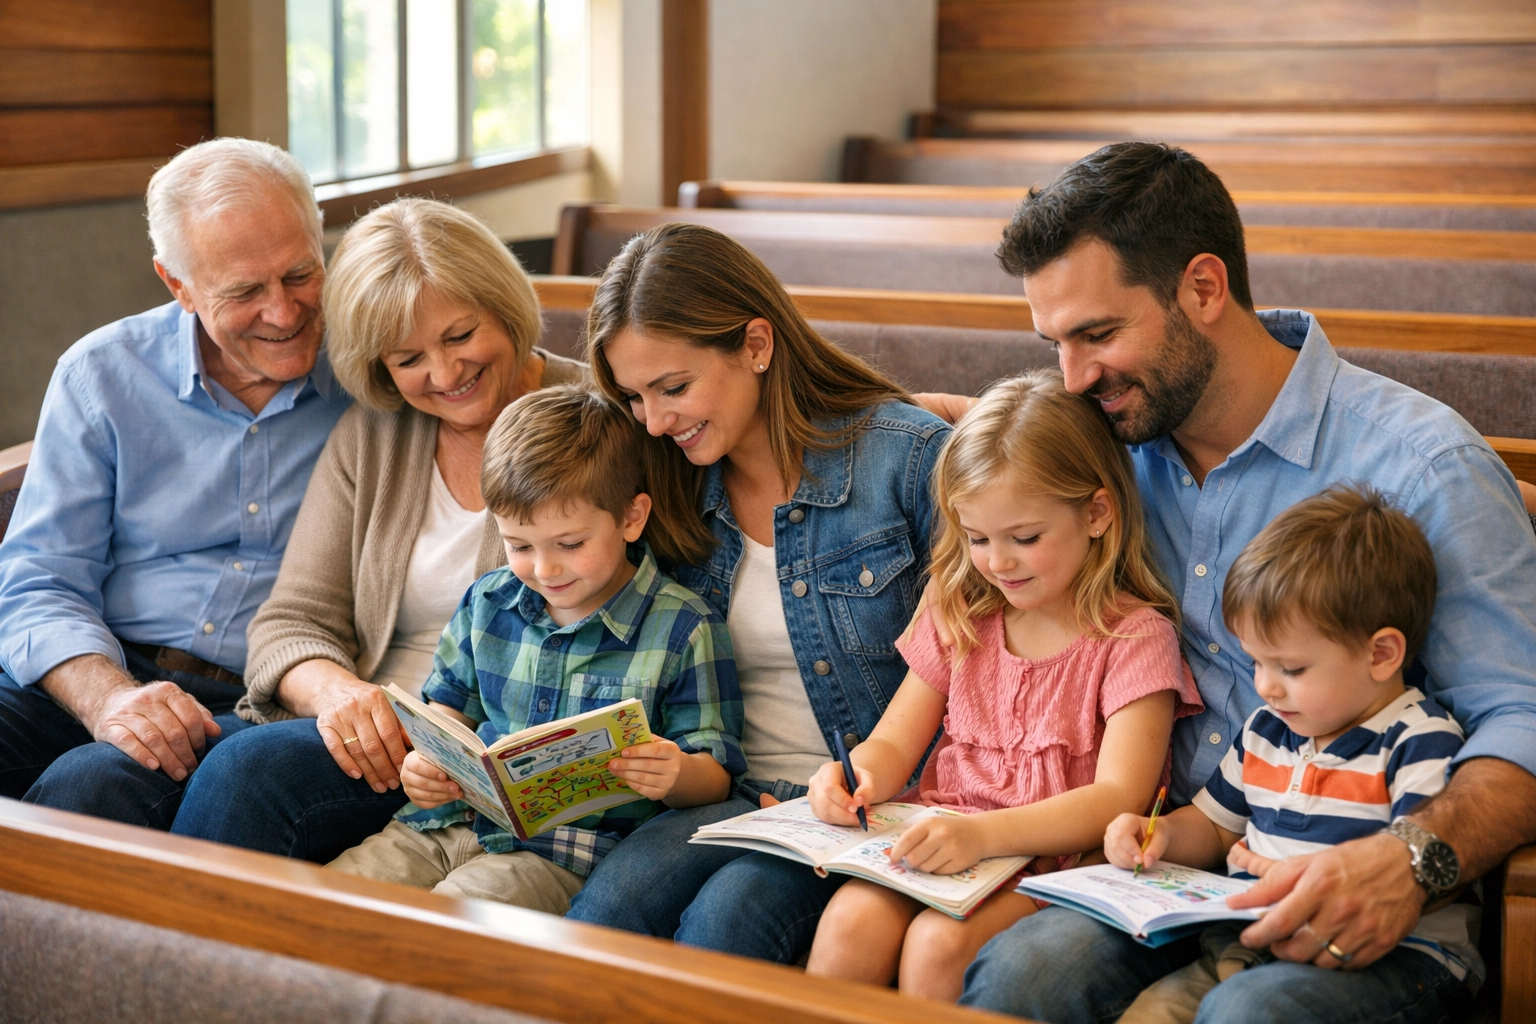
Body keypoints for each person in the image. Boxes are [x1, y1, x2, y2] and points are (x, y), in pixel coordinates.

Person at [915, 143, 1536, 1023]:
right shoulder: (1103, 453)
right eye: (1053, 343)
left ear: (1203, 289)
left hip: (1357, 882)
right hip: (1165, 865)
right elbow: (975, 446)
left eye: (1098, 334)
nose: (1073, 378)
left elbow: (1525, 718)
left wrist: (1408, 861)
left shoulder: (1424, 465)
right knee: (1025, 977)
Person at [562, 223, 951, 963]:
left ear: (757, 346)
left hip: (872, 799)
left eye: (673, 388)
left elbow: (979, 655)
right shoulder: (661, 476)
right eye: (635, 396)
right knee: (602, 918)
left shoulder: (907, 459)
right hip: (725, 789)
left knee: (729, 920)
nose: (655, 419)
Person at [170, 199, 586, 861]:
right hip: (373, 731)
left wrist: (445, 735)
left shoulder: (593, 423)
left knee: (245, 776)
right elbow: (290, 623)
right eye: (408, 357)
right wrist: (342, 696)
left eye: (459, 336)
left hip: (482, 755)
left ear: (505, 306)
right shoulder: (373, 433)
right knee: (114, 781)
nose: (446, 375)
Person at [802, 370, 1202, 1000]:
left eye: (1024, 538)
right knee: (850, 922)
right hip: (949, 839)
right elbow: (893, 742)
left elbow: (1118, 796)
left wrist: (984, 836)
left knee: (940, 946)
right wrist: (854, 779)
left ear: (1097, 512)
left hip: (1057, 860)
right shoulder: (962, 607)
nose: (998, 562)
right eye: (977, 538)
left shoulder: (1134, 636)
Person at [0, 138, 347, 827]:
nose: (282, 313)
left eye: (300, 274)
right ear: (177, 284)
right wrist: (108, 697)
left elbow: (490, 367)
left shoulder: (374, 369)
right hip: (97, 663)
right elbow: (39, 581)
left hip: (256, 701)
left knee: (91, 788)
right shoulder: (102, 374)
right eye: (245, 291)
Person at [325, 385, 743, 910]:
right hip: (440, 826)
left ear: (631, 519)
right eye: (519, 545)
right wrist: (423, 767)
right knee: (330, 901)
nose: (544, 569)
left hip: (560, 854)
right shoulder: (490, 601)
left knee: (446, 924)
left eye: (570, 545)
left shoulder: (684, 627)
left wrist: (676, 773)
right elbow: (445, 714)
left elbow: (717, 773)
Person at [1103, 484, 1470, 1024]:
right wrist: (1153, 837)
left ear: (1382, 653)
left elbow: (1410, 879)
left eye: (1291, 669)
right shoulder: (1267, 731)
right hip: (1251, 945)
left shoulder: (1418, 743)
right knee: (1151, 1014)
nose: (1267, 687)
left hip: (1395, 958)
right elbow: (1212, 826)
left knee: (1243, 1013)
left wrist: (1294, 874)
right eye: (1256, 662)